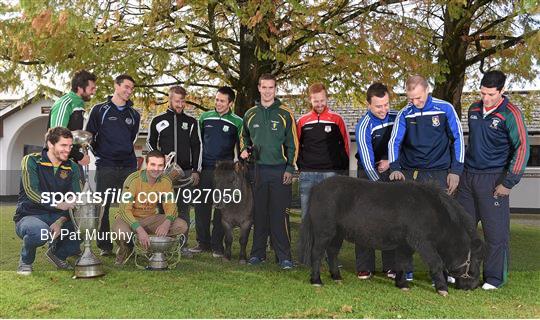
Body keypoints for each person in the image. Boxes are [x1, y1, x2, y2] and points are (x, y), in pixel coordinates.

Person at [457, 70, 530, 290]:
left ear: (502, 91)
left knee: (495, 233)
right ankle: (464, 273)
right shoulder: (473, 109)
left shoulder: (511, 114)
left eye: (490, 94)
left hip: (494, 180)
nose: (486, 98)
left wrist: (509, 182)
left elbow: (523, 148)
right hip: (468, 178)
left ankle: (494, 279)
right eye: (482, 93)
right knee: (462, 229)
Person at [388, 75, 464, 281]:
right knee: (408, 223)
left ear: (427, 90)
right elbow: (394, 141)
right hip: (413, 174)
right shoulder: (405, 113)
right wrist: (395, 167)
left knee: (442, 223)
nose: (415, 102)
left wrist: (455, 171)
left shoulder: (445, 108)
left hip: (440, 173)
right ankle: (406, 270)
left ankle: (443, 272)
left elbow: (458, 138)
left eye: (419, 98)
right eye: (411, 98)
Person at [240, 73, 298, 270]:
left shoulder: (285, 113)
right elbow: (244, 138)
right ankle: (258, 253)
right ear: (259, 88)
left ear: (275, 89)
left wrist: (290, 167)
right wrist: (244, 150)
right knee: (259, 213)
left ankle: (284, 256)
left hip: (279, 171)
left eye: (271, 87)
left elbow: (293, 144)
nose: (267, 91)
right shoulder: (250, 114)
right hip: (257, 171)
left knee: (279, 214)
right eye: (264, 87)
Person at [85, 74, 140, 256]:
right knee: (103, 206)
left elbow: (130, 139)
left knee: (129, 205)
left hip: (128, 166)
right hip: (106, 165)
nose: (129, 91)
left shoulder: (134, 114)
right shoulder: (100, 110)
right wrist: (101, 154)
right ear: (116, 86)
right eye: (126, 86)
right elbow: (89, 136)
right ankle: (104, 246)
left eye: (131, 88)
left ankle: (128, 244)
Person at [15, 127, 82, 275]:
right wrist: (58, 203)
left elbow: (76, 198)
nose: (68, 150)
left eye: (70, 146)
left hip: (58, 216)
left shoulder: (72, 166)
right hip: (30, 215)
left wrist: (60, 221)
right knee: (38, 233)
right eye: (63, 145)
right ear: (50, 144)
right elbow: (31, 192)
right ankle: (25, 261)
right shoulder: (31, 160)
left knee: (84, 227)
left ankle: (58, 255)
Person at [146, 86, 202, 257]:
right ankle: (163, 245)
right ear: (169, 100)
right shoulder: (157, 120)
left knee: (183, 209)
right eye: (177, 101)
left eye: (183, 100)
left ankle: (182, 246)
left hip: (185, 174)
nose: (181, 104)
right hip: (163, 174)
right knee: (163, 209)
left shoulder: (192, 122)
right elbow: (150, 143)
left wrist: (195, 171)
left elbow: (197, 146)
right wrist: (160, 159)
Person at [190, 86, 242, 256]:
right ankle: (202, 243)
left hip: (225, 172)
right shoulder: (204, 117)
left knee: (221, 209)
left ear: (230, 103)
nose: (218, 103)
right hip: (205, 168)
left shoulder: (238, 121)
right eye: (217, 99)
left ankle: (217, 245)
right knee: (201, 207)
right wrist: (196, 168)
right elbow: (198, 144)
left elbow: (239, 148)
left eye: (222, 101)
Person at [113, 150, 188, 265]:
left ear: (164, 166)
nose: (156, 169)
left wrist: (166, 223)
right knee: (122, 233)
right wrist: (139, 230)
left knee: (181, 225)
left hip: (150, 218)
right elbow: (124, 209)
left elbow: (171, 207)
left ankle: (154, 249)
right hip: (128, 218)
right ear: (146, 164)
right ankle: (125, 250)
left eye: (160, 165)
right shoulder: (133, 179)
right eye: (153, 164)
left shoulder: (166, 181)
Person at [354, 82, 396, 280]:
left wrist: (392, 163)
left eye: (386, 104)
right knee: (366, 222)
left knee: (391, 220)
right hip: (368, 177)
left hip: (390, 172)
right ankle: (365, 266)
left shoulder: (397, 117)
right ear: (368, 104)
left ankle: (391, 266)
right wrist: (380, 188)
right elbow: (367, 161)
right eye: (378, 106)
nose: (383, 109)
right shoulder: (363, 125)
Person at [296, 82, 349, 219]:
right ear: (310, 100)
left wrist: (341, 170)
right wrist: (301, 166)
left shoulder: (337, 120)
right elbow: (296, 147)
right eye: (316, 101)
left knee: (330, 216)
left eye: (322, 100)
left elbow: (345, 146)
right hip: (308, 174)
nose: (319, 104)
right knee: (306, 217)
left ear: (327, 98)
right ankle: (307, 241)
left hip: (330, 174)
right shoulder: (302, 121)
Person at [48, 70, 97, 167]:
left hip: (72, 163)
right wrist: (79, 156)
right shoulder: (65, 104)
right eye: (92, 88)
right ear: (80, 88)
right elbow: (57, 137)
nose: (94, 91)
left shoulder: (80, 105)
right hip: (58, 165)